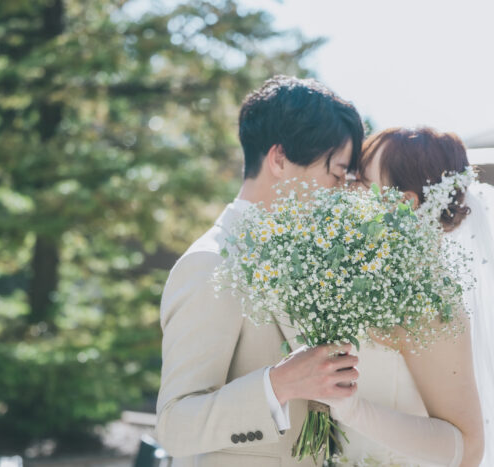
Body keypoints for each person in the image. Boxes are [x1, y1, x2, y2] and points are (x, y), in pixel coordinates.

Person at [333, 127, 494, 466]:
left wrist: (353, 411)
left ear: (405, 203)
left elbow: (469, 449)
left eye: (362, 180)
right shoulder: (364, 283)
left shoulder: (430, 303)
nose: (347, 188)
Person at [156, 75, 365, 467]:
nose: (341, 193)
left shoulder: (313, 260)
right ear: (280, 160)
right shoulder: (210, 263)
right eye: (336, 175)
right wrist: (279, 384)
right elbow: (174, 426)